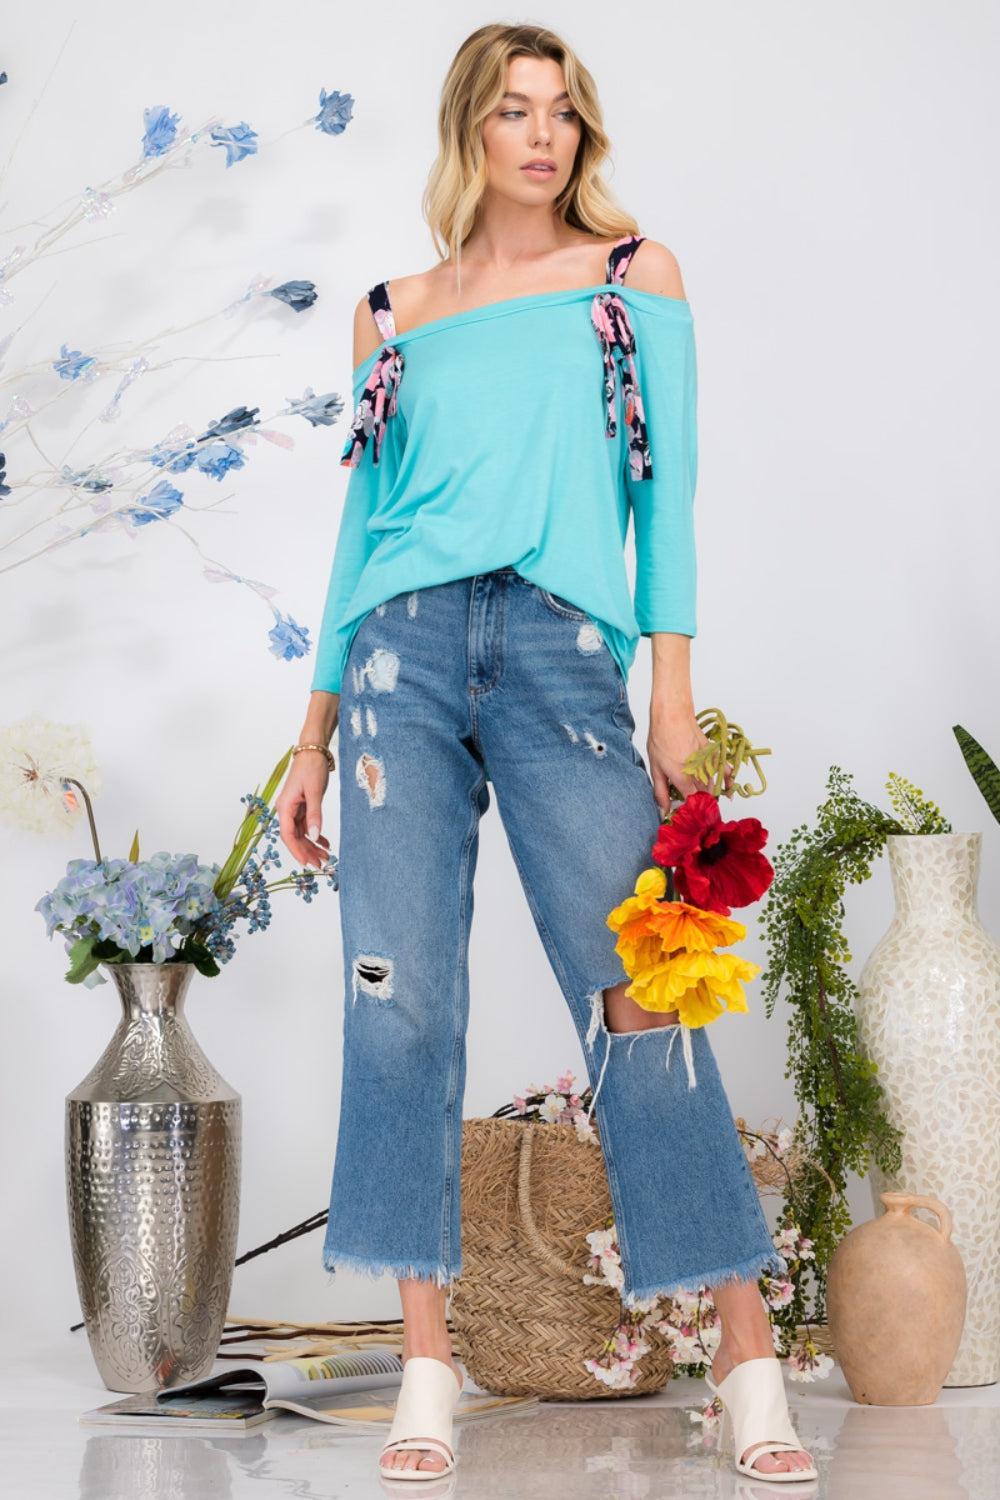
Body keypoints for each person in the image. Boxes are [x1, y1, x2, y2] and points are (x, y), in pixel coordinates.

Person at [276, 20, 817, 1487]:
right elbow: (358, 536)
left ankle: (743, 1355)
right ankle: (430, 1364)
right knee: (400, 996)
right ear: (470, 131)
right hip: (398, 661)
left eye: (561, 113)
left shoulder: (632, 280)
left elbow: (671, 491)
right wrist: (311, 728)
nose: (542, 137)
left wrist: (671, 685)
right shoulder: (393, 312)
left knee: (645, 986)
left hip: (566, 652)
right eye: (513, 112)